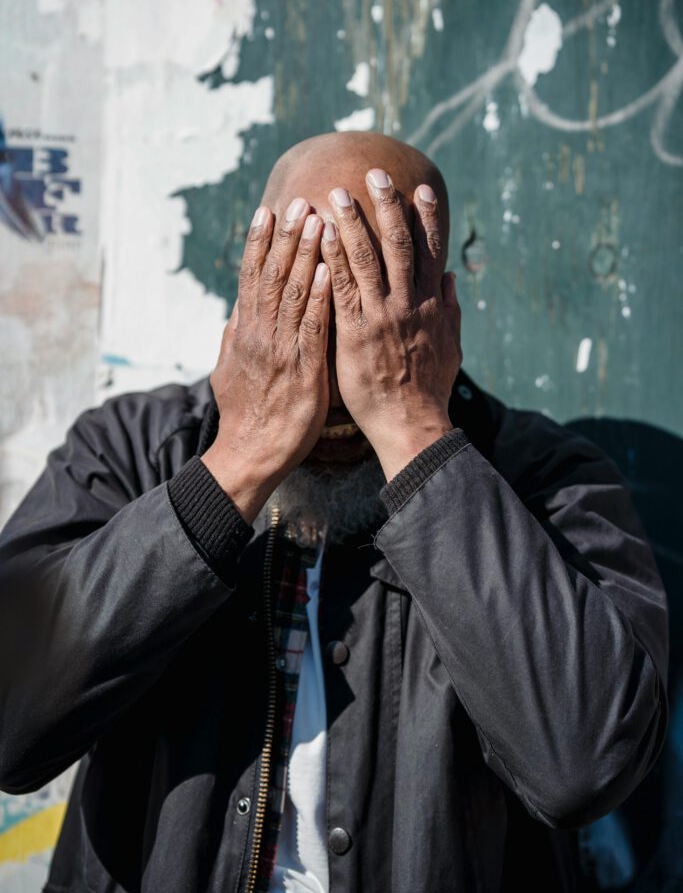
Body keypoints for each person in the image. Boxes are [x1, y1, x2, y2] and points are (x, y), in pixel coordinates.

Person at [0, 131, 669, 893]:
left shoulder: (543, 480)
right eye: (306, 294)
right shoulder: (131, 450)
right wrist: (238, 459)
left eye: (375, 299)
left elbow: (583, 763)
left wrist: (414, 434)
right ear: (253, 285)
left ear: (433, 309)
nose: (341, 354)